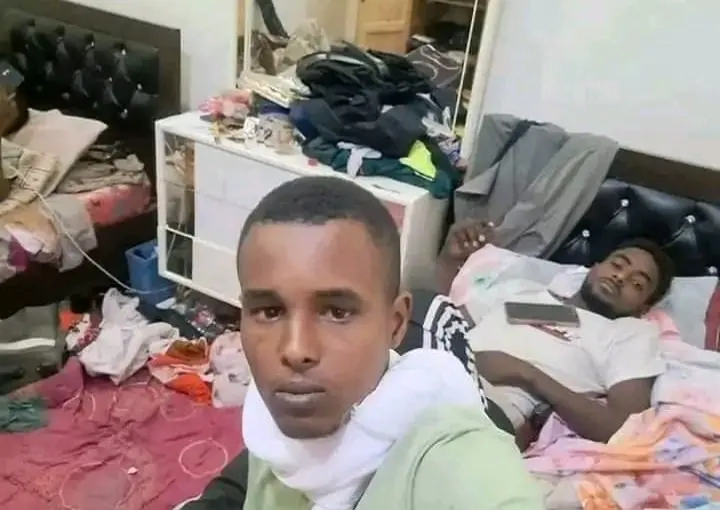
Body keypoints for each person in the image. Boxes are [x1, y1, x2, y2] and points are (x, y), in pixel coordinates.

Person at [220, 176, 543, 510]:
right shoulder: (273, 412)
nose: (295, 349)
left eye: (337, 312)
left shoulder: (457, 464)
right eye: (270, 312)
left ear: (396, 323)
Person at [437, 220, 674, 444]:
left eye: (637, 284)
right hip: (437, 366)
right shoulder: (523, 291)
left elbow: (624, 428)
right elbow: (442, 319)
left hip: (485, 406)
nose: (620, 277)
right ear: (595, 266)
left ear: (643, 308)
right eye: (617, 265)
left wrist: (526, 374)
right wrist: (448, 260)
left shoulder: (628, 334)